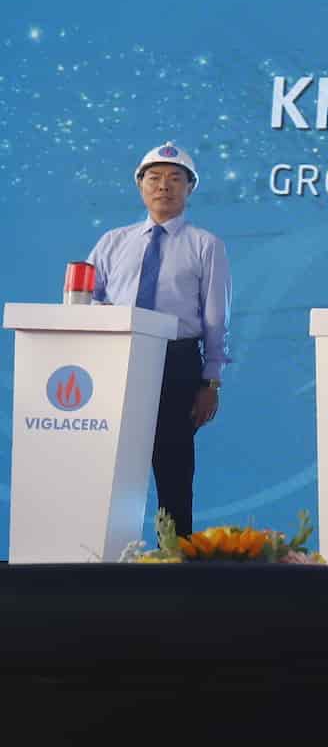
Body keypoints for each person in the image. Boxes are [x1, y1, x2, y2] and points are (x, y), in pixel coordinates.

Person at [85, 141, 233, 538]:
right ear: (140, 186)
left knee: (173, 467)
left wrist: (211, 381)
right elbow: (85, 298)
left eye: (174, 179)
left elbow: (216, 318)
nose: (163, 186)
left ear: (190, 188)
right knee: (108, 459)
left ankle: (175, 556)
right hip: (116, 359)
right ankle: (102, 552)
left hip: (176, 362)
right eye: (154, 178)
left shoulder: (206, 245)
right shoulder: (113, 242)